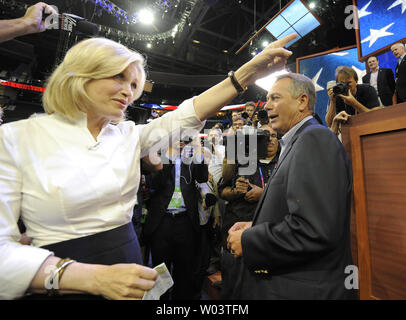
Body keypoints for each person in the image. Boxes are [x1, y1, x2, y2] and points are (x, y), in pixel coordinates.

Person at [0, 33, 298, 300]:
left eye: (133, 84)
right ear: (80, 74)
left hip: (129, 272)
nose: (128, 91)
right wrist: (92, 278)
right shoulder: (16, 138)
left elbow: (187, 114)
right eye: (118, 77)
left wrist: (249, 71)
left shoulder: (129, 135)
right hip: (60, 278)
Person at [227, 73, 355, 299]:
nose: (267, 106)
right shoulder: (298, 141)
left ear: (302, 101)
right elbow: (296, 210)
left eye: (275, 98)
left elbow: (314, 230)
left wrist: (249, 241)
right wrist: (255, 225)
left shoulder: (315, 140)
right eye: (267, 99)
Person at [218, 123, 279, 298]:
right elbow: (222, 191)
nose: (269, 139)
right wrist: (235, 191)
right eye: (264, 135)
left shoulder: (285, 161)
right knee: (233, 289)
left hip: (268, 235)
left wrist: (264, 194)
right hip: (237, 231)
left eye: (273, 136)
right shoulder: (244, 159)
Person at [142, 140, 208, 300]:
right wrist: (170, 156)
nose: (180, 140)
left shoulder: (192, 155)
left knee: (185, 273)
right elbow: (155, 183)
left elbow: (202, 177)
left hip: (186, 222)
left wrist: (198, 150)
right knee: (160, 272)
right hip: (161, 222)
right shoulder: (157, 154)